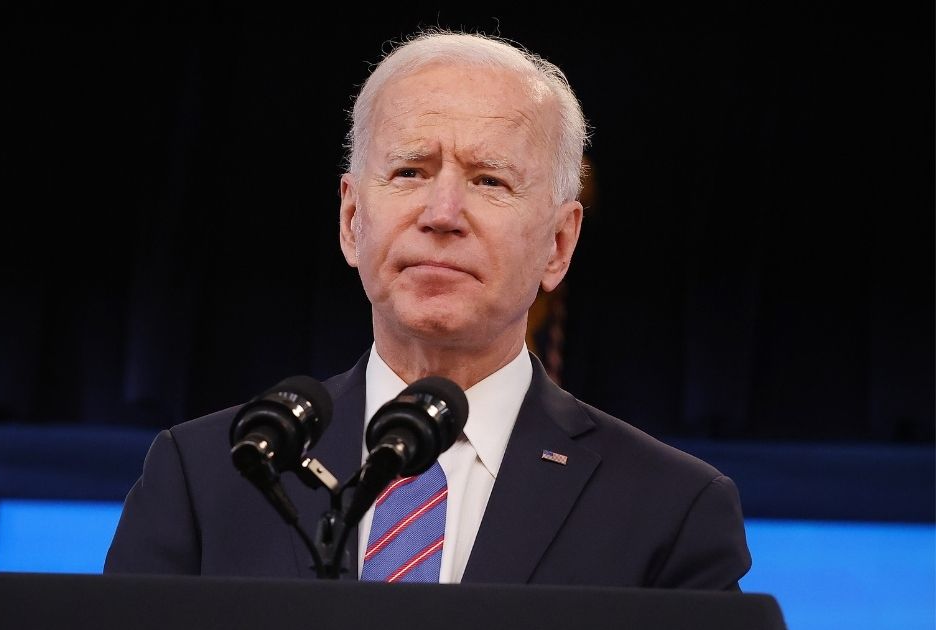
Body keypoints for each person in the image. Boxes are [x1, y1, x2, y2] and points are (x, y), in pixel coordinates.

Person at [105, 29, 751, 589]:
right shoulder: (207, 478)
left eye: (488, 181)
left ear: (559, 243)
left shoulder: (672, 511)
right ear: (352, 218)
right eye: (410, 172)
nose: (442, 215)